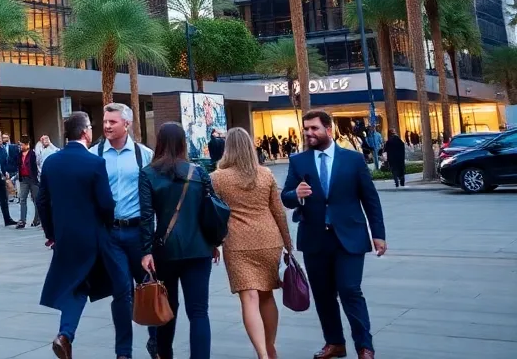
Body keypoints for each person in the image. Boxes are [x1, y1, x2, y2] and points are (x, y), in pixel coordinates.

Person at [282, 110, 386, 359]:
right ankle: (335, 343)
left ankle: (364, 346)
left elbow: (370, 199)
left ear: (329, 130)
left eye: (314, 128)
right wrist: (295, 194)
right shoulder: (299, 161)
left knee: (350, 290)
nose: (309, 133)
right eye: (306, 129)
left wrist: (378, 234)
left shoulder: (353, 159)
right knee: (323, 294)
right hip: (315, 239)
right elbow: (285, 197)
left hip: (349, 237)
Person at [37, 111, 118, 359]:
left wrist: (52, 233)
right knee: (116, 285)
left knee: (77, 286)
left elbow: (42, 202)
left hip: (65, 237)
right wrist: (107, 226)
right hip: (92, 238)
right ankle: (67, 336)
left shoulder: (51, 162)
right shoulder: (94, 163)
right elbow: (106, 204)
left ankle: (66, 335)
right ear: (85, 132)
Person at [212, 128, 293, 359]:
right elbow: (278, 212)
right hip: (269, 240)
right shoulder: (265, 174)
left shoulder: (217, 178)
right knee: (267, 295)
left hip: (237, 242)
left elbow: (212, 214)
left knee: (249, 298)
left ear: (228, 148)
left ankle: (262, 355)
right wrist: (288, 244)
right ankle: (270, 346)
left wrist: (214, 243)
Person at [140, 122, 216, 359]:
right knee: (199, 311)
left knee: (166, 308)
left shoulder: (148, 173)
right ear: (183, 142)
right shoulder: (198, 171)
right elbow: (210, 210)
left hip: (165, 251)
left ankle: (165, 354)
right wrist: (213, 243)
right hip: (199, 248)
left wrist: (146, 251)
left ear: (159, 142)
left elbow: (146, 216)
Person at [90, 102, 155, 359]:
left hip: (139, 233)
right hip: (111, 234)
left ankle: (156, 341)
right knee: (121, 292)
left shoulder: (144, 155)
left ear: (126, 124)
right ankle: (123, 352)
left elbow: (155, 195)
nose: (106, 126)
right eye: (105, 121)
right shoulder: (94, 154)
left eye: (112, 122)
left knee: (148, 289)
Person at [15, 133, 40, 228]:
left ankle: (37, 219)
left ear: (27, 144)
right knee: (22, 199)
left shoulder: (33, 154)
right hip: (23, 179)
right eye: (20, 144)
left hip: (33, 179)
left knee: (36, 199)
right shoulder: (19, 155)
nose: (21, 146)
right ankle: (22, 220)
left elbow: (37, 166)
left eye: (22, 144)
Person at [3, 133, 22, 202]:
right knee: (8, 183)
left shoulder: (14, 146)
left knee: (17, 183)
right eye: (3, 137)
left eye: (6, 137)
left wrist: (18, 167)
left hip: (14, 168)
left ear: (8, 138)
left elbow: (18, 157)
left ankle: (19, 197)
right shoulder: (1, 147)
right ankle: (11, 197)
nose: (4, 139)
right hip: (6, 169)